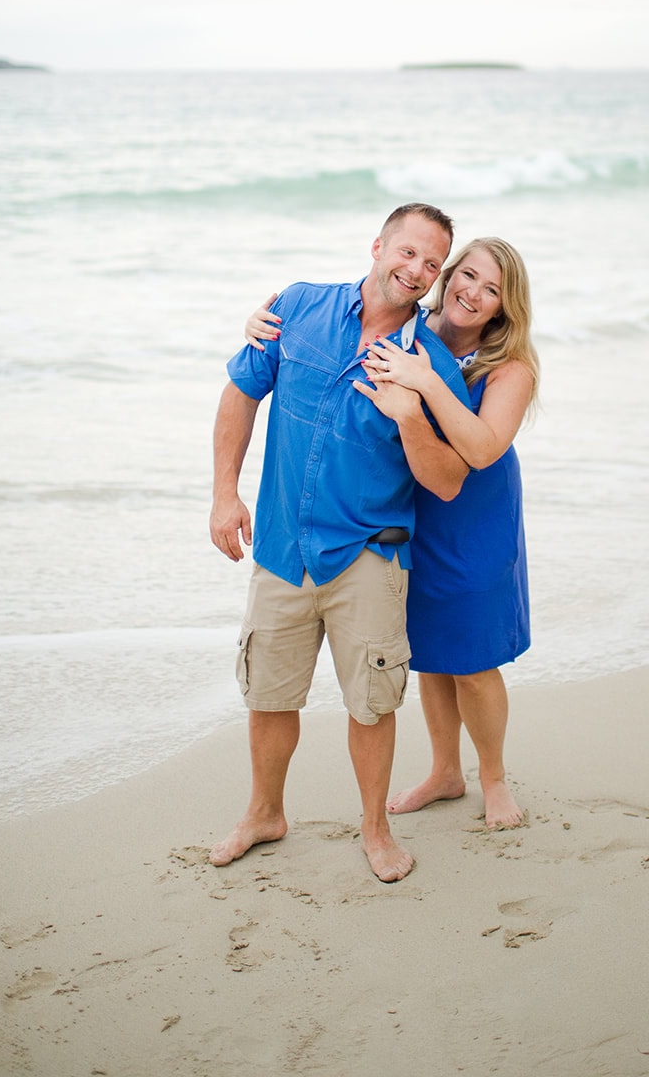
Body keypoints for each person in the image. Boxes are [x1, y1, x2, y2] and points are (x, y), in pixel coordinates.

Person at [209, 204, 470, 884]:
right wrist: (223, 493)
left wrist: (410, 414)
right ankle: (264, 813)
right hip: (281, 549)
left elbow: (446, 481)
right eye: (407, 252)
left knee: (371, 704)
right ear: (378, 245)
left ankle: (375, 830)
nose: (415, 270)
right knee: (269, 695)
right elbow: (240, 392)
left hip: (370, 560)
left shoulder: (429, 362)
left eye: (431, 264)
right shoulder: (295, 307)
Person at [247, 236, 538, 831]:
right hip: (409, 510)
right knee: (429, 650)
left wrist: (426, 384)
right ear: (447, 275)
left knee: (475, 655)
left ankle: (494, 778)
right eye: (468, 276)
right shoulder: (412, 327)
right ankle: (443, 771)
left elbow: (480, 451)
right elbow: (342, 321)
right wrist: (261, 322)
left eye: (492, 290)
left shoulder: (509, 367)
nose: (474, 293)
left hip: (472, 515)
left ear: (506, 307)